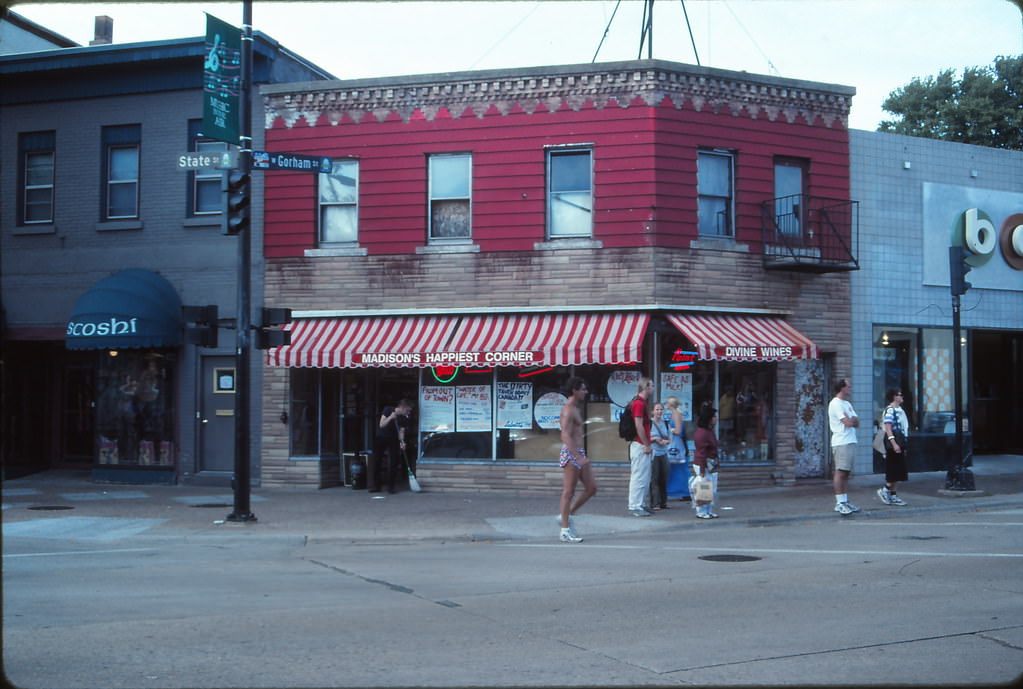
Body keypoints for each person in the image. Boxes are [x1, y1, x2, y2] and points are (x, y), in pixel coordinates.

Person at [558, 377, 597, 543]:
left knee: (592, 488)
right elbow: (565, 434)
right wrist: (577, 456)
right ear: (574, 390)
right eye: (583, 389)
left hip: (579, 452)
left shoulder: (575, 408)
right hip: (572, 453)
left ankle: (567, 515)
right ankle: (565, 530)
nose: (585, 392)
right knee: (568, 492)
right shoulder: (568, 409)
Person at [828, 378, 861, 515]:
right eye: (848, 386)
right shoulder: (835, 404)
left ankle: (845, 500)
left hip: (850, 440)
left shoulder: (847, 403)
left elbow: (856, 422)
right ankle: (839, 502)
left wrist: (851, 420)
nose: (850, 389)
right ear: (842, 388)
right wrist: (850, 420)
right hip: (841, 441)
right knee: (840, 471)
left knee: (846, 472)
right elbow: (847, 422)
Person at [371, 398, 413, 494]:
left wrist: (402, 442)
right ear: (403, 407)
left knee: (393, 462)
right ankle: (377, 486)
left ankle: (391, 487)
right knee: (377, 461)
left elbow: (402, 431)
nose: (408, 412)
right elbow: (381, 424)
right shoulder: (388, 410)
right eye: (408, 410)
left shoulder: (404, 418)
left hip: (393, 439)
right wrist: (390, 417)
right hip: (381, 437)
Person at [627, 376, 654, 517]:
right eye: (652, 386)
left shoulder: (641, 403)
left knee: (644, 476)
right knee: (639, 476)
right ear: (646, 387)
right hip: (640, 445)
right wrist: (646, 444)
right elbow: (639, 425)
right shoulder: (639, 404)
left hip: (641, 444)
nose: (653, 389)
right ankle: (635, 505)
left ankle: (641, 504)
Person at [878, 388, 910, 506]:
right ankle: (885, 490)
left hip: (900, 442)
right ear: (894, 397)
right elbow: (888, 428)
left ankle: (893, 494)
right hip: (894, 444)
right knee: (894, 469)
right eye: (900, 395)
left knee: (899, 469)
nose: (902, 397)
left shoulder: (900, 410)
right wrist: (894, 444)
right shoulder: (890, 410)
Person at [690, 403, 720, 519]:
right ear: (708, 418)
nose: (715, 419)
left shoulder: (709, 431)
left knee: (711, 489)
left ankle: (708, 510)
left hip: (711, 463)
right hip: (704, 464)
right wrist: (702, 469)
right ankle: (701, 511)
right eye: (713, 416)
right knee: (703, 487)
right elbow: (701, 453)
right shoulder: (702, 433)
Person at [664, 396, 690, 499]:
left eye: (667, 403)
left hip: (677, 444)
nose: (666, 404)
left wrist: (670, 430)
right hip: (676, 443)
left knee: (679, 467)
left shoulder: (676, 414)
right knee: (677, 468)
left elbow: (678, 431)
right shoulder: (676, 413)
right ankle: (680, 490)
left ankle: (684, 490)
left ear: (671, 404)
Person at [648, 402, 672, 510]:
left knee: (664, 478)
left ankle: (663, 502)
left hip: (664, 453)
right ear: (653, 411)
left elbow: (670, 438)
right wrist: (655, 439)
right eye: (657, 409)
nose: (659, 412)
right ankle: (655, 503)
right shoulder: (649, 424)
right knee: (654, 478)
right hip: (654, 453)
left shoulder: (666, 423)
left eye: (661, 409)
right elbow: (644, 438)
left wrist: (666, 442)